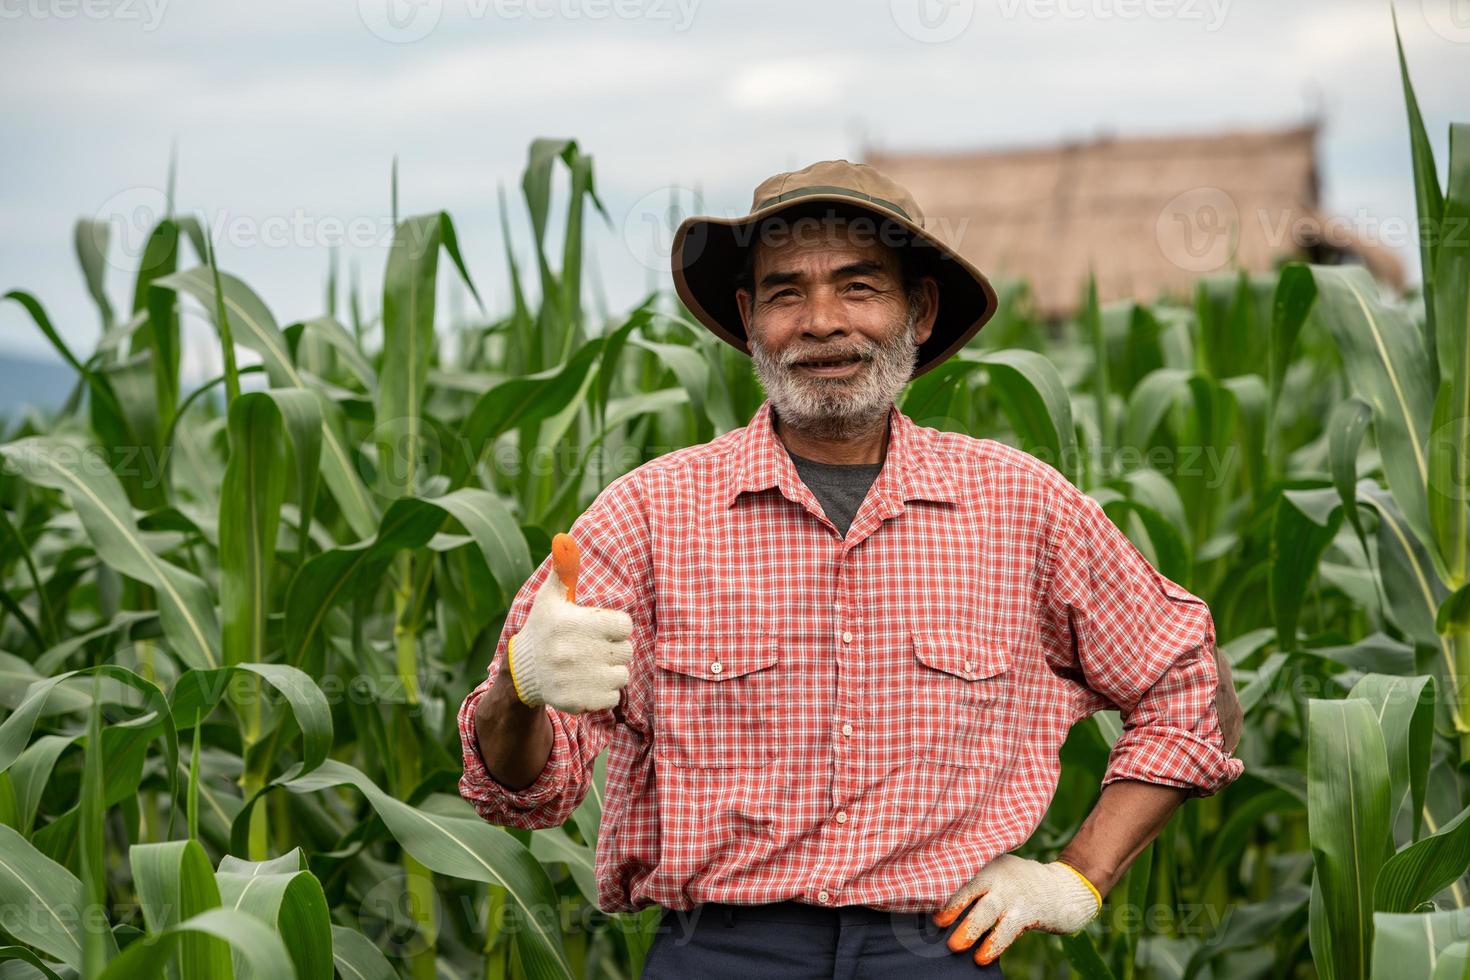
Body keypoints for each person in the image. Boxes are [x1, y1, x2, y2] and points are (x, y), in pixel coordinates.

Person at [457, 159, 1244, 977]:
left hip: (939, 949)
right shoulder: (646, 517)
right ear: (748, 315)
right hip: (722, 953)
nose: (822, 322)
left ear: (921, 309)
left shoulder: (1021, 509)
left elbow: (1191, 687)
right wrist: (522, 684)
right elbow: (517, 790)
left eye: (860, 287)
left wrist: (1079, 874)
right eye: (786, 292)